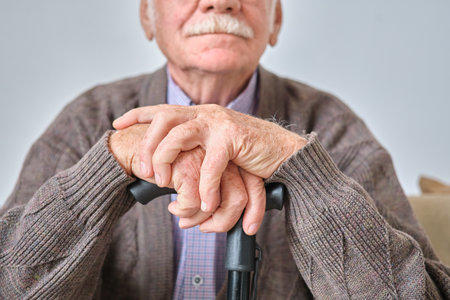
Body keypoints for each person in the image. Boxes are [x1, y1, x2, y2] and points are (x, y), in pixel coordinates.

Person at [0, 0, 448, 299]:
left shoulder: (332, 127)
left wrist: (298, 167)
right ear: (147, 17)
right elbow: (12, 284)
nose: (221, 0)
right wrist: (112, 161)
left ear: (275, 22)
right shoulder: (89, 118)